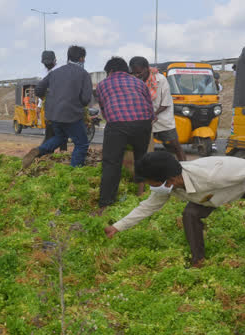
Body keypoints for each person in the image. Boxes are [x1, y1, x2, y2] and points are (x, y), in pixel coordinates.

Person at [104, 152, 245, 268]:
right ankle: (198, 259)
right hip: (209, 198)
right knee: (190, 214)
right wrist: (117, 227)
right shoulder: (170, 185)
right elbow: (147, 207)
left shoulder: (211, 173)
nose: (152, 187)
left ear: (171, 180)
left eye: (153, 183)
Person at [94, 57, 154, 215]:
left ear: (110, 71)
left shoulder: (102, 85)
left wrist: (117, 123)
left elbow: (104, 110)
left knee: (111, 163)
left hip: (118, 124)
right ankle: (140, 194)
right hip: (143, 122)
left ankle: (105, 205)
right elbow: (149, 106)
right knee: (141, 157)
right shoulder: (139, 82)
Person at [22, 45, 93, 169]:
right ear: (82, 59)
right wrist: (77, 103)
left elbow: (38, 89)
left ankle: (39, 150)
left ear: (68, 57)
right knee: (81, 144)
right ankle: (74, 172)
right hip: (71, 114)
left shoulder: (55, 72)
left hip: (52, 114)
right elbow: (86, 99)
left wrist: (49, 98)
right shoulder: (84, 74)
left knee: (60, 137)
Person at [129, 56, 186, 162]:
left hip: (162, 118)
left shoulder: (161, 79)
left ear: (146, 69)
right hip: (145, 119)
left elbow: (166, 103)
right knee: (143, 148)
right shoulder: (134, 81)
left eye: (139, 72)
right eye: (134, 73)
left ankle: (185, 167)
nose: (137, 76)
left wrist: (154, 114)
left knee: (174, 146)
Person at [39, 50, 67, 152]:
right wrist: (39, 105)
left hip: (61, 106)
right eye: (45, 64)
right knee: (50, 132)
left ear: (55, 60)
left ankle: (61, 154)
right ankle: (46, 154)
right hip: (49, 107)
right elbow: (41, 90)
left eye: (49, 63)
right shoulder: (44, 72)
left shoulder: (60, 70)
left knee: (61, 133)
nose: (47, 65)